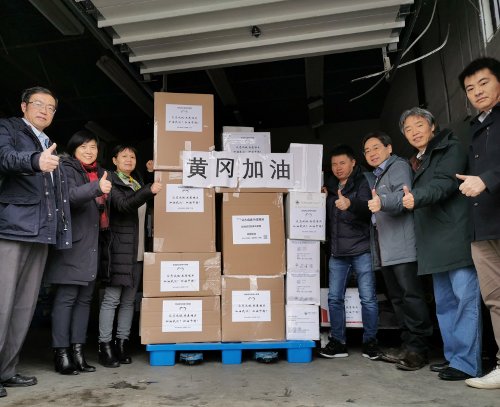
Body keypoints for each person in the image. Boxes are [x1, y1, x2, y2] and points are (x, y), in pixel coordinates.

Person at [399, 107, 482, 381]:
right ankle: (454, 358)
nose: (414, 132)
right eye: (408, 129)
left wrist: (416, 197)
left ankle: (466, 363)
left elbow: (445, 183)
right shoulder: (420, 159)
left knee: (464, 300)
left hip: (454, 236)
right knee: (445, 304)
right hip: (433, 240)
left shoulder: (450, 148)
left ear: (432, 126)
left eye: (419, 124)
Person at [0, 87, 71, 398]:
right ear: (24, 106)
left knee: (23, 307)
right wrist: (34, 160)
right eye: (38, 104)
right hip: (12, 229)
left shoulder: (47, 143)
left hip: (40, 232)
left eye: (51, 107)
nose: (44, 110)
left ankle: (6, 370)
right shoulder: (9, 129)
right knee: (2, 304)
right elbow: (4, 157)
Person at [44, 131, 112, 375]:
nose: (89, 151)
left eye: (93, 146)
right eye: (83, 146)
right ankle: (61, 354)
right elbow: (70, 197)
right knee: (66, 299)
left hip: (93, 244)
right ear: (74, 149)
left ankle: (78, 353)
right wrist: (97, 187)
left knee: (84, 301)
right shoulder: (65, 168)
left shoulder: (100, 172)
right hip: (72, 245)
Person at [363, 132, 433, 371]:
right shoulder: (378, 175)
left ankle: (418, 349)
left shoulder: (399, 166)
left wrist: (381, 202)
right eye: (367, 151)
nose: (371, 153)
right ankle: (407, 345)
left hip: (402, 245)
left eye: (376, 147)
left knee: (411, 296)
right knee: (398, 298)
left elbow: (404, 196)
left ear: (389, 148)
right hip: (387, 248)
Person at [456, 57, 500, 389]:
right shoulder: (473, 127)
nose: (477, 92)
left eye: (483, 83)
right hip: (482, 224)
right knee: (495, 299)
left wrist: (487, 180)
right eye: (470, 88)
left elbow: (485, 176)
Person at [98, 146, 161, 368]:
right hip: (118, 250)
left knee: (128, 301)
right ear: (114, 160)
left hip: (138, 251)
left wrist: (150, 176)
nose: (129, 159)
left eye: (132, 156)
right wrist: (149, 189)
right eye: (124, 156)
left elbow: (146, 197)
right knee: (112, 299)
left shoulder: (136, 181)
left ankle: (121, 344)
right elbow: (124, 205)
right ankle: (105, 346)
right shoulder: (111, 182)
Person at [317, 144, 381, 360]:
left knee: (368, 298)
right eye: (334, 164)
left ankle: (370, 342)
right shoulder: (330, 186)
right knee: (334, 298)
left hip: (361, 249)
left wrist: (350, 203)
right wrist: (322, 198)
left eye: (342, 163)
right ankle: (338, 342)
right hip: (337, 253)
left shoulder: (363, 182)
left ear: (353, 163)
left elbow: (367, 207)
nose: (338, 168)